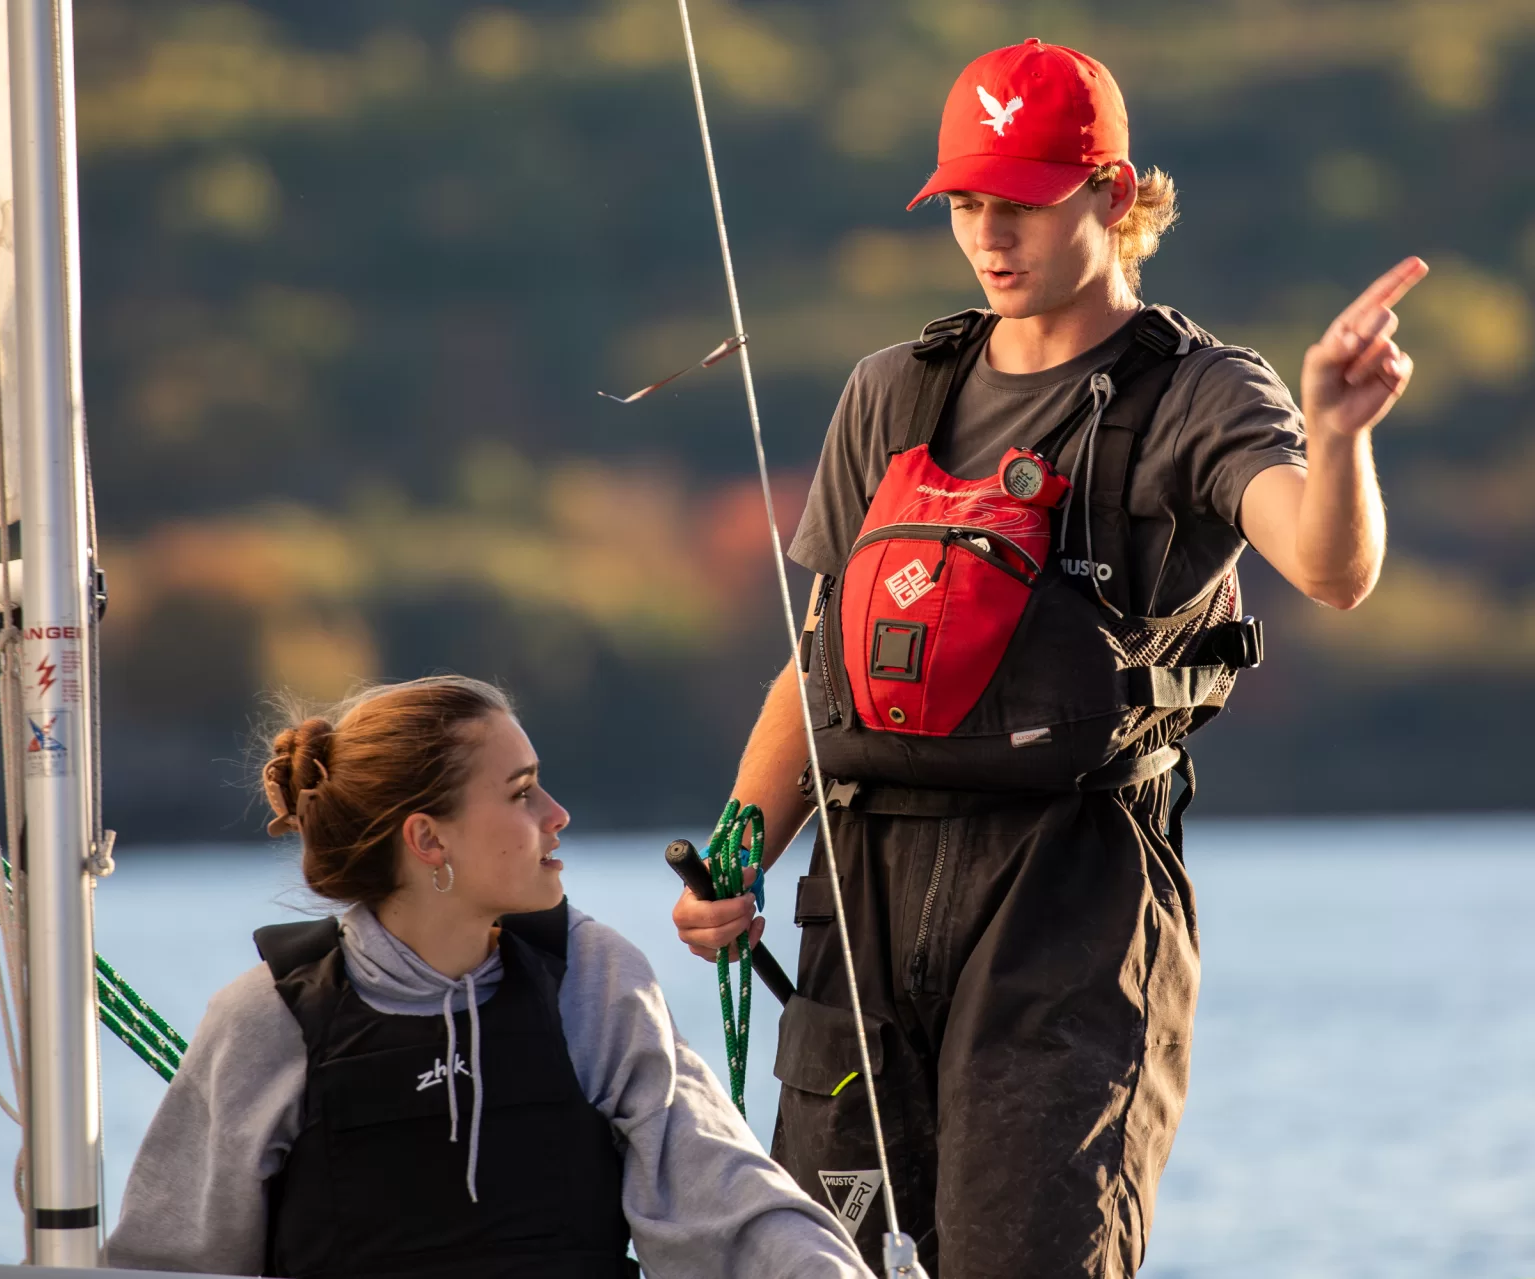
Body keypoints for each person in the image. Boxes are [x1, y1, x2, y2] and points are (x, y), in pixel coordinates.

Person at [670, 37, 1424, 1279]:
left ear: (1112, 196)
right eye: (966, 202)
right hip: (859, 901)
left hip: (1065, 909)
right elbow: (819, 661)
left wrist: (1337, 437)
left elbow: (1330, 567)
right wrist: (739, 848)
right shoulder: (890, 392)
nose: (987, 233)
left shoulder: (1197, 391)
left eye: (1020, 201)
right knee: (818, 1262)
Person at [108, 674, 873, 1278]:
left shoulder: (591, 981)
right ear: (427, 839)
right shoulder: (266, 1018)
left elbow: (728, 1198)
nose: (557, 813)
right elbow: (169, 1263)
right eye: (521, 791)